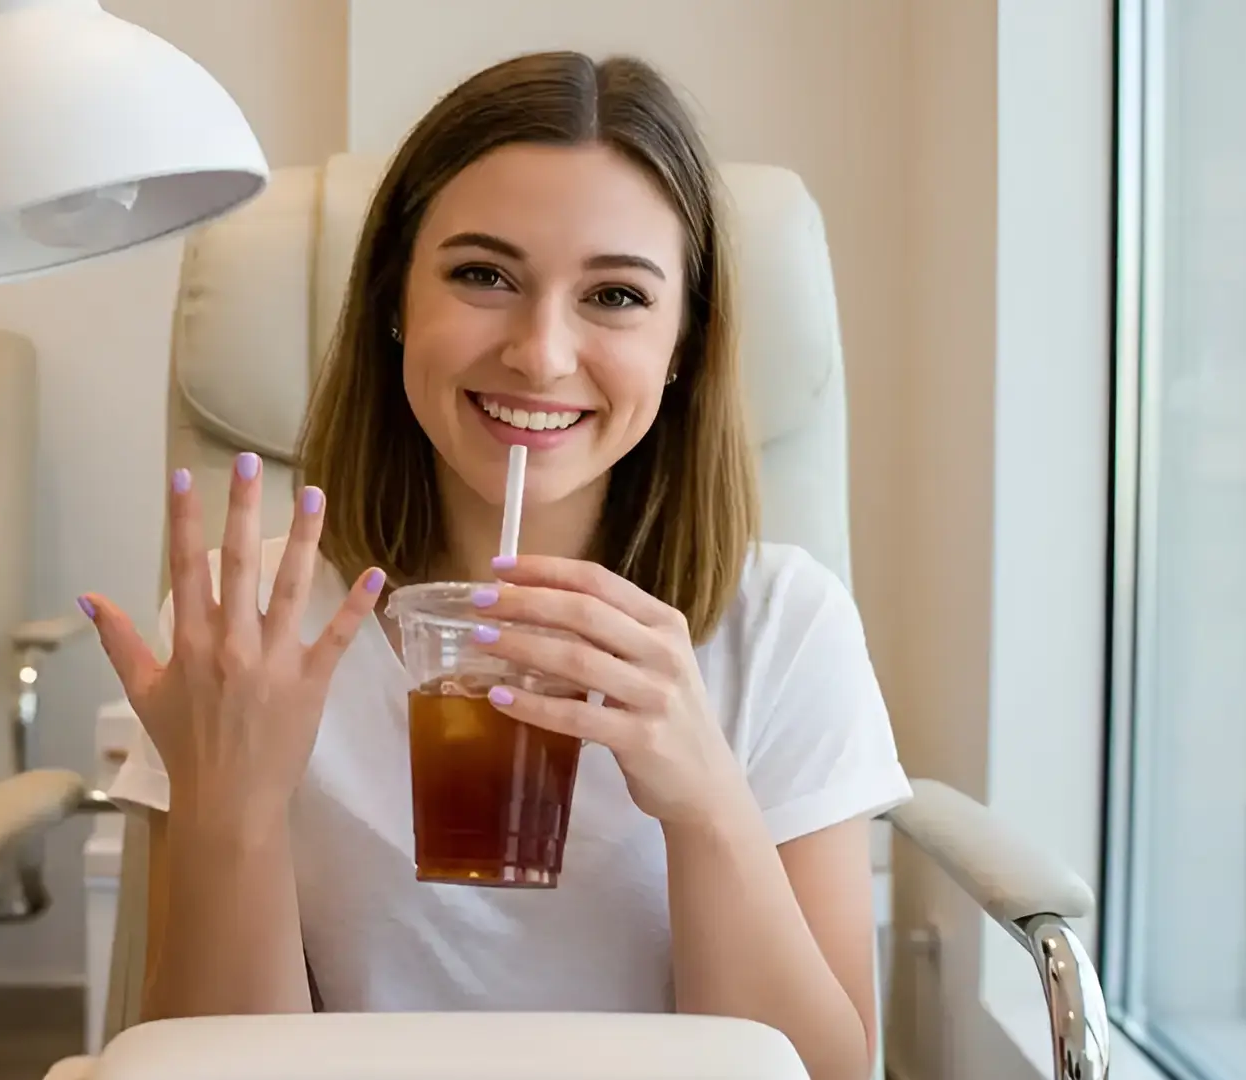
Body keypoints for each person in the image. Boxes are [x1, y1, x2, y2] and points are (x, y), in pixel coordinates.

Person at [80, 49, 911, 1080]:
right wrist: (233, 811)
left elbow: (827, 1076)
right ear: (394, 300)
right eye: (483, 275)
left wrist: (706, 799)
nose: (540, 353)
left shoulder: (785, 625)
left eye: (615, 296)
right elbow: (204, 1071)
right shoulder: (244, 627)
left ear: (686, 342)